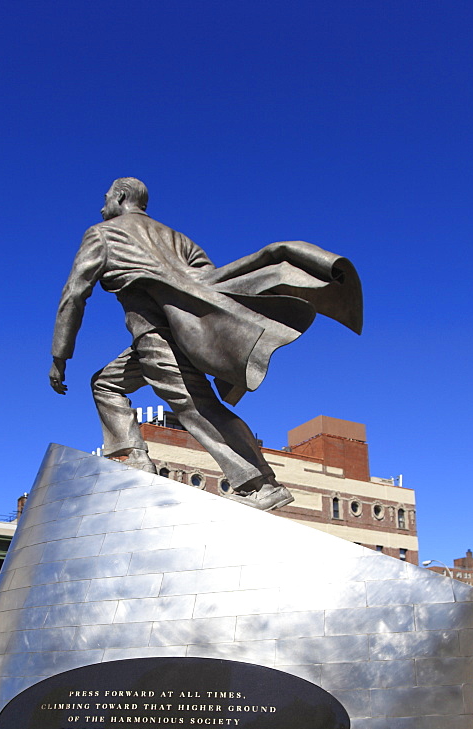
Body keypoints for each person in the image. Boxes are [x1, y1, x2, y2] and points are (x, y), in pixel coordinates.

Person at [50, 177, 362, 511]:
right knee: (106, 383)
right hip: (182, 334)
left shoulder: (102, 234)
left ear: (121, 197)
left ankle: (261, 483)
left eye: (106, 198)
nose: (102, 206)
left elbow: (74, 294)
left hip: (156, 335)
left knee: (195, 407)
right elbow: (212, 282)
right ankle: (136, 457)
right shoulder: (177, 238)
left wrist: (60, 354)